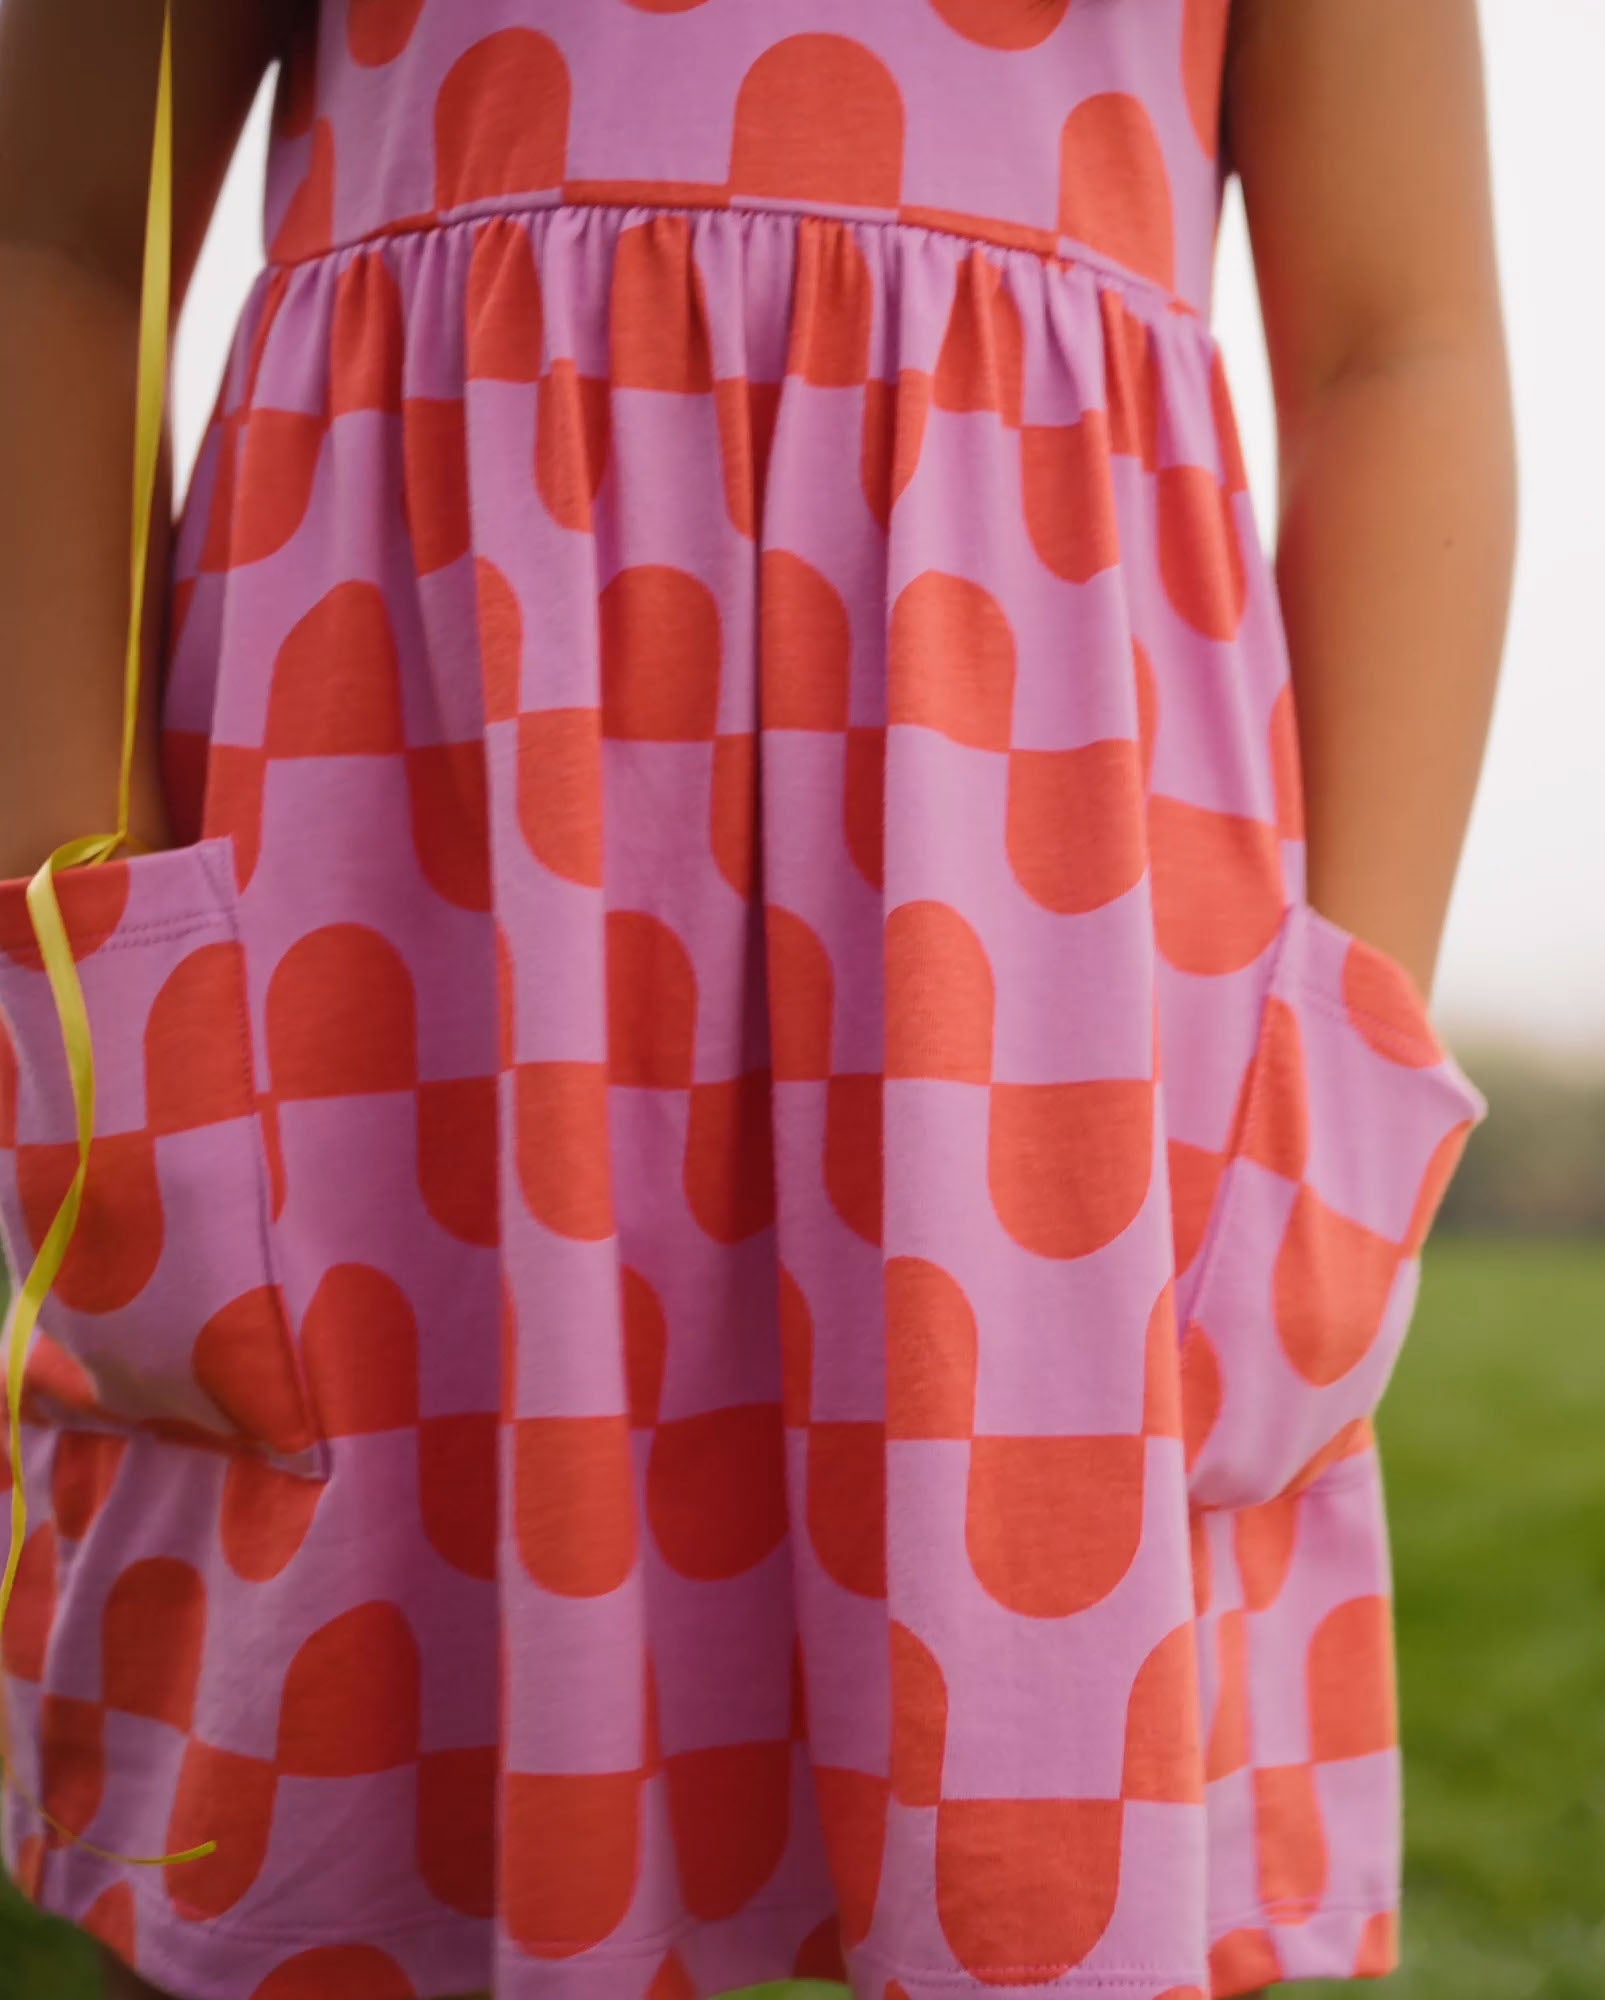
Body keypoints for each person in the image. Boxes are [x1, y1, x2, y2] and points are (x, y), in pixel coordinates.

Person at [0, 2, 1515, 1996]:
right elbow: (55, 243)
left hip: (1043, 934)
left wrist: (1353, 1022)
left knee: (1032, 1827)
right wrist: (82, 963)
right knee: (375, 1849)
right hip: (411, 904)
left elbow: (1392, 338)